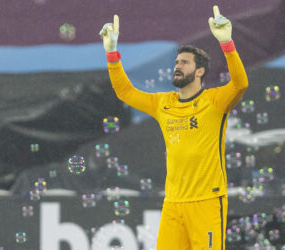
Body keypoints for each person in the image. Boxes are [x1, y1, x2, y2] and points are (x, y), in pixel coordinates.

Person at [99, 5, 248, 250]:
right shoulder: (163, 103)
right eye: (177, 62)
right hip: (174, 204)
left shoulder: (215, 101)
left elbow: (240, 83)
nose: (177, 66)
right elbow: (124, 91)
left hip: (207, 202)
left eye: (185, 62)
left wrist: (227, 43)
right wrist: (112, 52)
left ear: (200, 71)